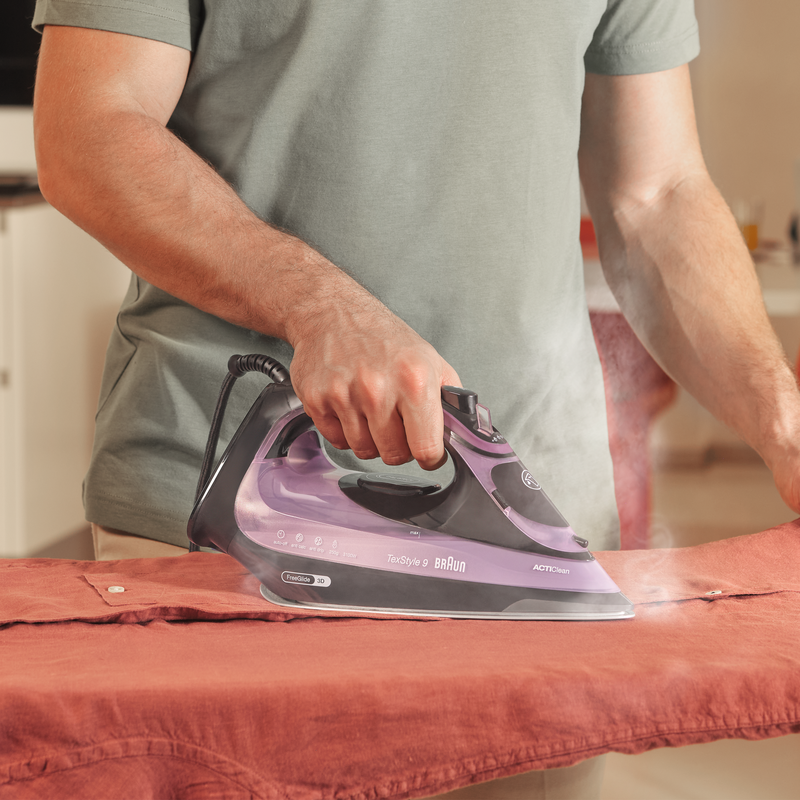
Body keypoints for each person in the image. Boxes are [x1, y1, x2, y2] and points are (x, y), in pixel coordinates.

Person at [31, 2, 800, 797]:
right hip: (227, 517)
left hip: (542, 551)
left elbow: (658, 195)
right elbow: (90, 128)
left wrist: (785, 424)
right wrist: (320, 307)